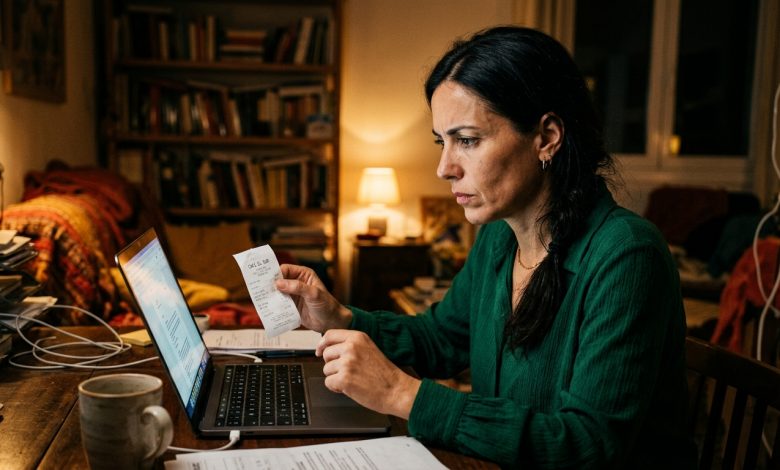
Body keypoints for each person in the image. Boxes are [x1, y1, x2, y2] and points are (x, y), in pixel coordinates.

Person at [275, 26, 696, 468]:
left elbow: (587, 445)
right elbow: (442, 338)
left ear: (547, 137)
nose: (444, 168)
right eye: (442, 141)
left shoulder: (628, 255)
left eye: (468, 140)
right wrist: (340, 317)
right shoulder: (499, 236)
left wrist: (402, 394)